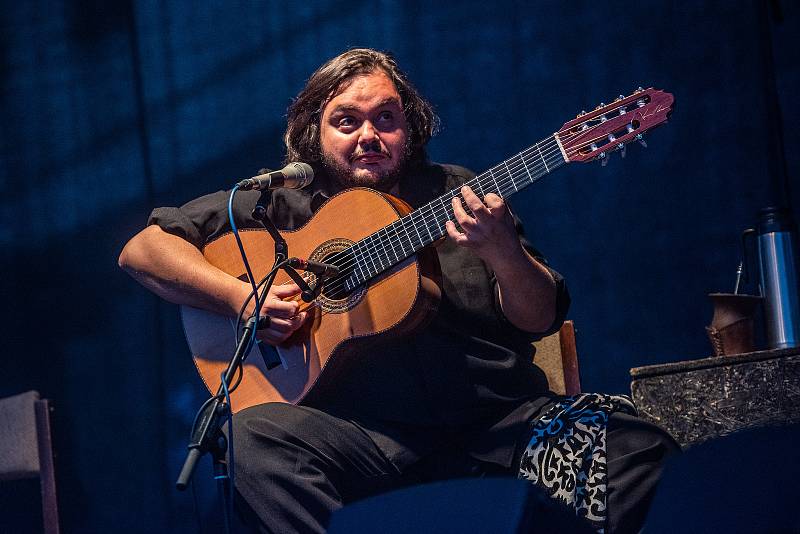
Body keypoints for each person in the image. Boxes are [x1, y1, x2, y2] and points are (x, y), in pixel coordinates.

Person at [119, 48, 676, 533]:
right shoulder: (277, 207)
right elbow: (143, 251)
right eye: (347, 121)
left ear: (410, 130)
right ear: (314, 132)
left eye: (386, 118)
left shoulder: (459, 193)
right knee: (250, 440)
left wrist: (503, 249)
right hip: (361, 442)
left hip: (495, 428)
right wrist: (241, 298)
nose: (369, 136)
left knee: (633, 445)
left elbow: (540, 318)